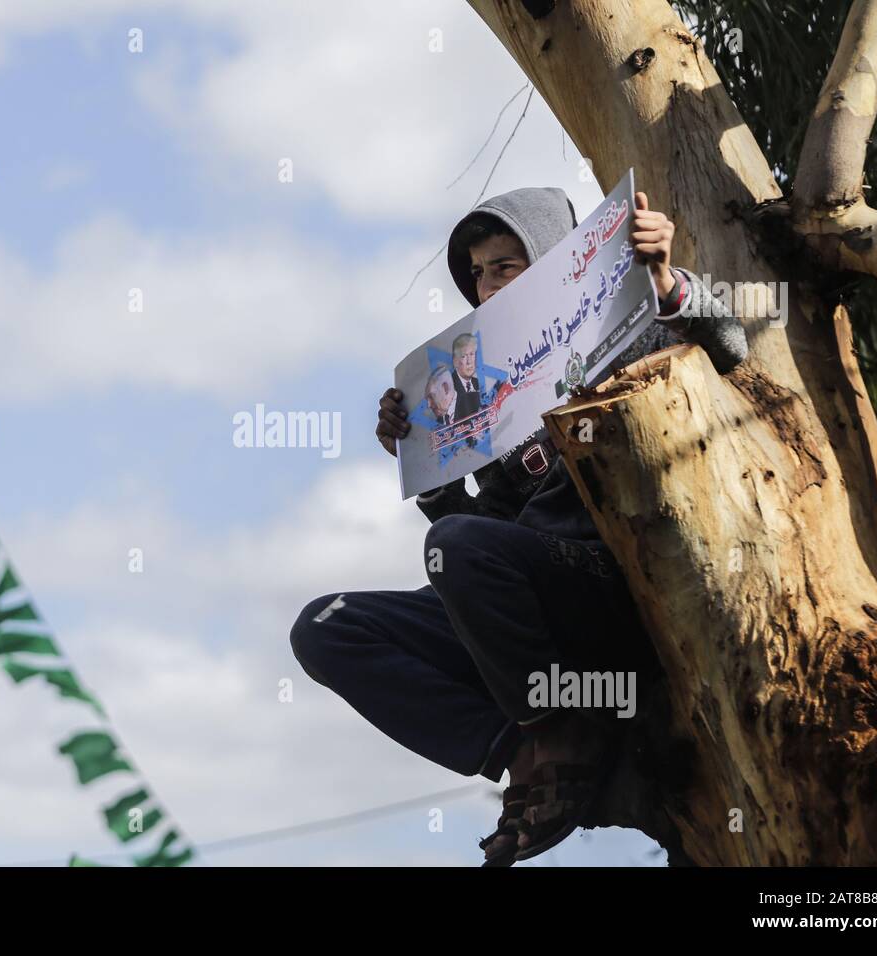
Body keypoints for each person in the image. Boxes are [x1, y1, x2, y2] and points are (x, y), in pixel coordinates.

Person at [290, 187, 748, 866]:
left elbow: (735, 349)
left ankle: (566, 735)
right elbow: (484, 543)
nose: (484, 284)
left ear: (555, 261)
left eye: (504, 265)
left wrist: (667, 281)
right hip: (536, 615)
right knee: (327, 628)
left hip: (620, 593)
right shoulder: (497, 394)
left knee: (456, 549)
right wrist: (432, 468)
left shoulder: (625, 325)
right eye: (476, 272)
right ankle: (528, 750)